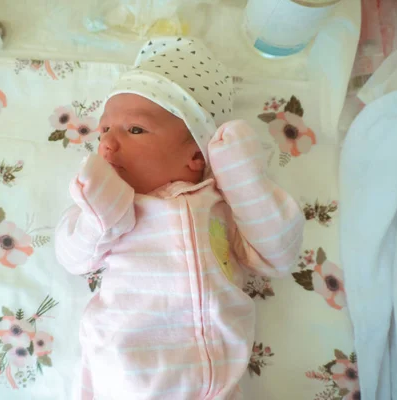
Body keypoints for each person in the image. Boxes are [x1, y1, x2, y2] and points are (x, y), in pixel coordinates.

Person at [55, 37, 304, 399]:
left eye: (135, 129)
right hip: (128, 371)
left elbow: (277, 255)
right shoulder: (109, 205)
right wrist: (97, 217)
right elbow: (72, 257)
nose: (107, 144)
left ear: (195, 158)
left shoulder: (218, 203)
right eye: (104, 130)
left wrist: (244, 178)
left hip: (218, 383)